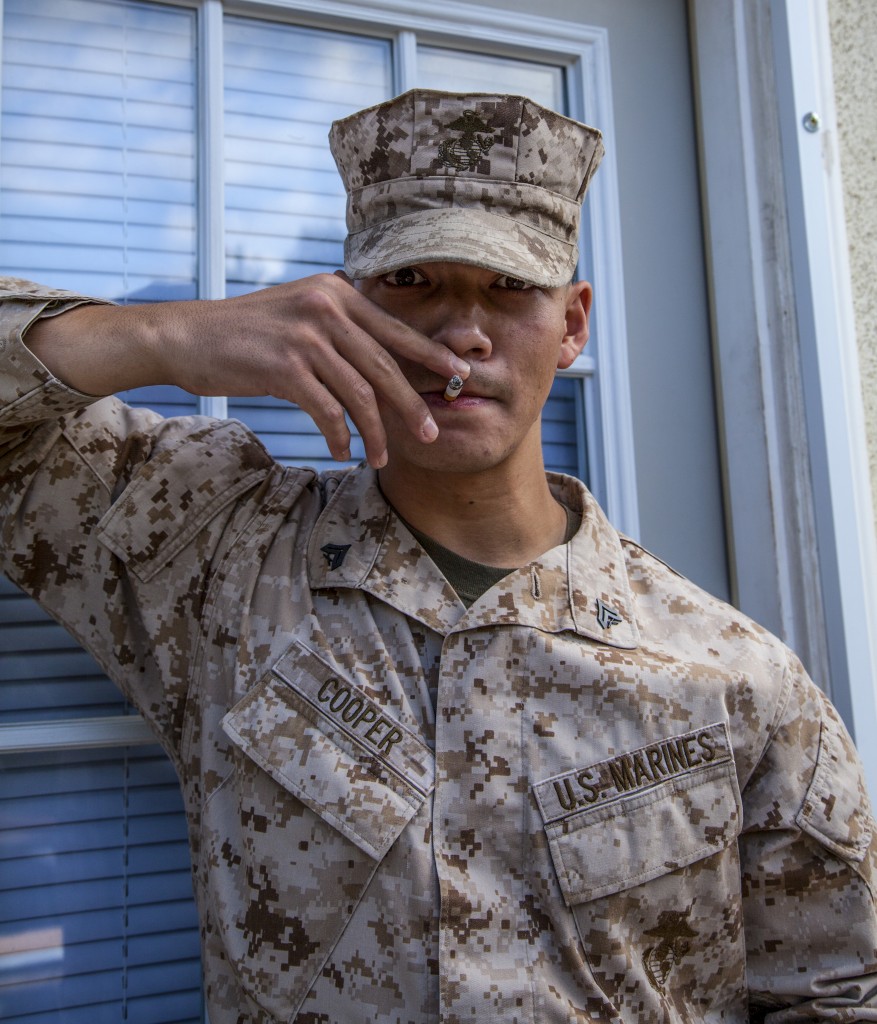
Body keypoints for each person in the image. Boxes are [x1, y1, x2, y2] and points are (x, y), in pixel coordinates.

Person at [1, 89, 875, 1024]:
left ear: (573, 323)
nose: (461, 330)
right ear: (342, 305)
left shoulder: (735, 679)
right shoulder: (219, 553)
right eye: (411, 281)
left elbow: (833, 998)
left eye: (509, 288)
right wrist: (166, 336)